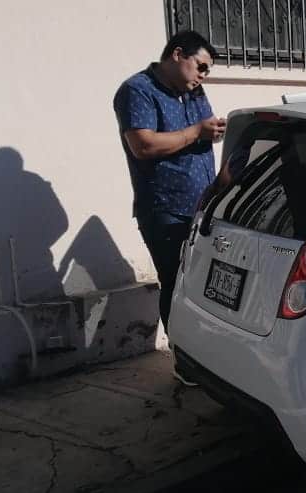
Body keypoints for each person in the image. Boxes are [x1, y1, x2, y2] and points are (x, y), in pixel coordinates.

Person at [113, 30, 226, 385]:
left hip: (203, 205)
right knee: (177, 284)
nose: (202, 77)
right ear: (178, 54)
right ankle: (183, 358)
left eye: (206, 72)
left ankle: (203, 355)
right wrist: (197, 132)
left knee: (202, 285)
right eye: (201, 67)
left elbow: (202, 133)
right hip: (165, 208)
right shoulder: (138, 90)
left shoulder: (194, 92)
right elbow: (143, 146)